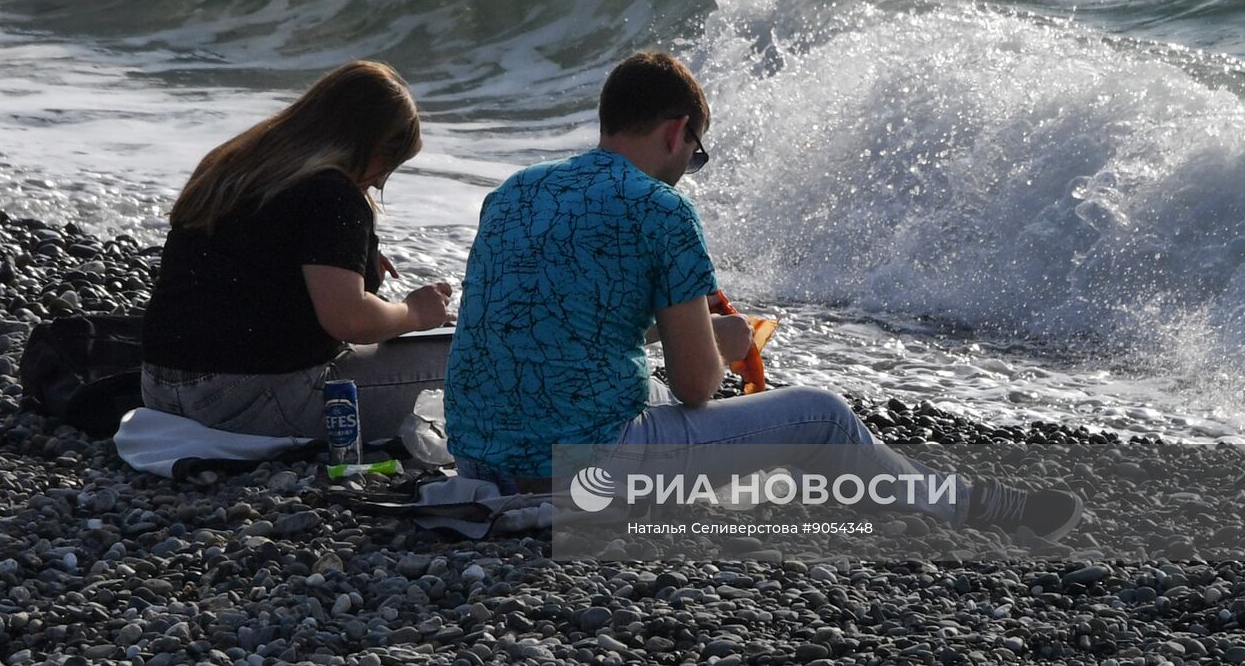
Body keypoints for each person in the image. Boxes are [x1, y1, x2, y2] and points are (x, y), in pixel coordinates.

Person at [443, 51, 1081, 539]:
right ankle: (972, 506)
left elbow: (554, 317)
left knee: (653, 391)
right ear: (678, 131)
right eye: (695, 154)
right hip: (581, 471)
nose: (687, 166)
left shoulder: (516, 192)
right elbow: (697, 385)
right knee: (823, 414)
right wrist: (717, 345)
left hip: (479, 457)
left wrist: (673, 334)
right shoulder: (661, 210)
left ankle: (862, 479)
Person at [142, 60, 454, 442]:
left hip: (159, 386)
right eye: (389, 163)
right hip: (251, 401)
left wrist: (347, 256)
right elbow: (349, 321)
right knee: (467, 356)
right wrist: (413, 312)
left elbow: (249, 260)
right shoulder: (331, 193)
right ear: (367, 144)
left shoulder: (234, 163)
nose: (380, 179)